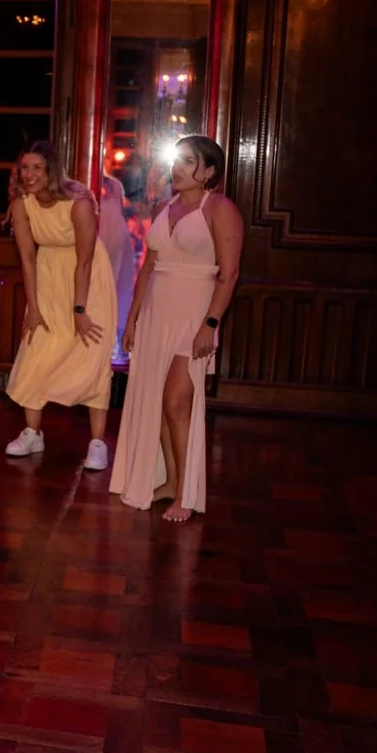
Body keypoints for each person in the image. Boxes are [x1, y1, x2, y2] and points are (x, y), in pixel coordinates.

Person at [110, 134, 244, 523]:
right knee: (159, 400)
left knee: (175, 401)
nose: (177, 168)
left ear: (209, 171)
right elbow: (147, 267)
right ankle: (169, 481)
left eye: (188, 161)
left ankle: (184, 492)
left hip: (194, 314)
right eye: (176, 160)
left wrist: (210, 324)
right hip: (156, 313)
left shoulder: (219, 208)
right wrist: (131, 318)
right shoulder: (165, 207)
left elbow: (230, 272)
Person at [3, 141, 116, 470]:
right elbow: (27, 259)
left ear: (51, 170)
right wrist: (33, 307)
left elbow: (85, 260)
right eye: (25, 167)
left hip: (88, 278)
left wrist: (79, 311)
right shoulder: (22, 204)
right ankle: (32, 433)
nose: (30, 174)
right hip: (48, 275)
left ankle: (97, 443)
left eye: (37, 167)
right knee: (36, 348)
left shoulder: (78, 204)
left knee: (89, 353)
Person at [98, 172, 138, 366]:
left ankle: (114, 345)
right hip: (103, 235)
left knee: (117, 287)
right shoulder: (92, 183)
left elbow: (120, 209)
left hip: (114, 236)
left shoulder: (113, 185)